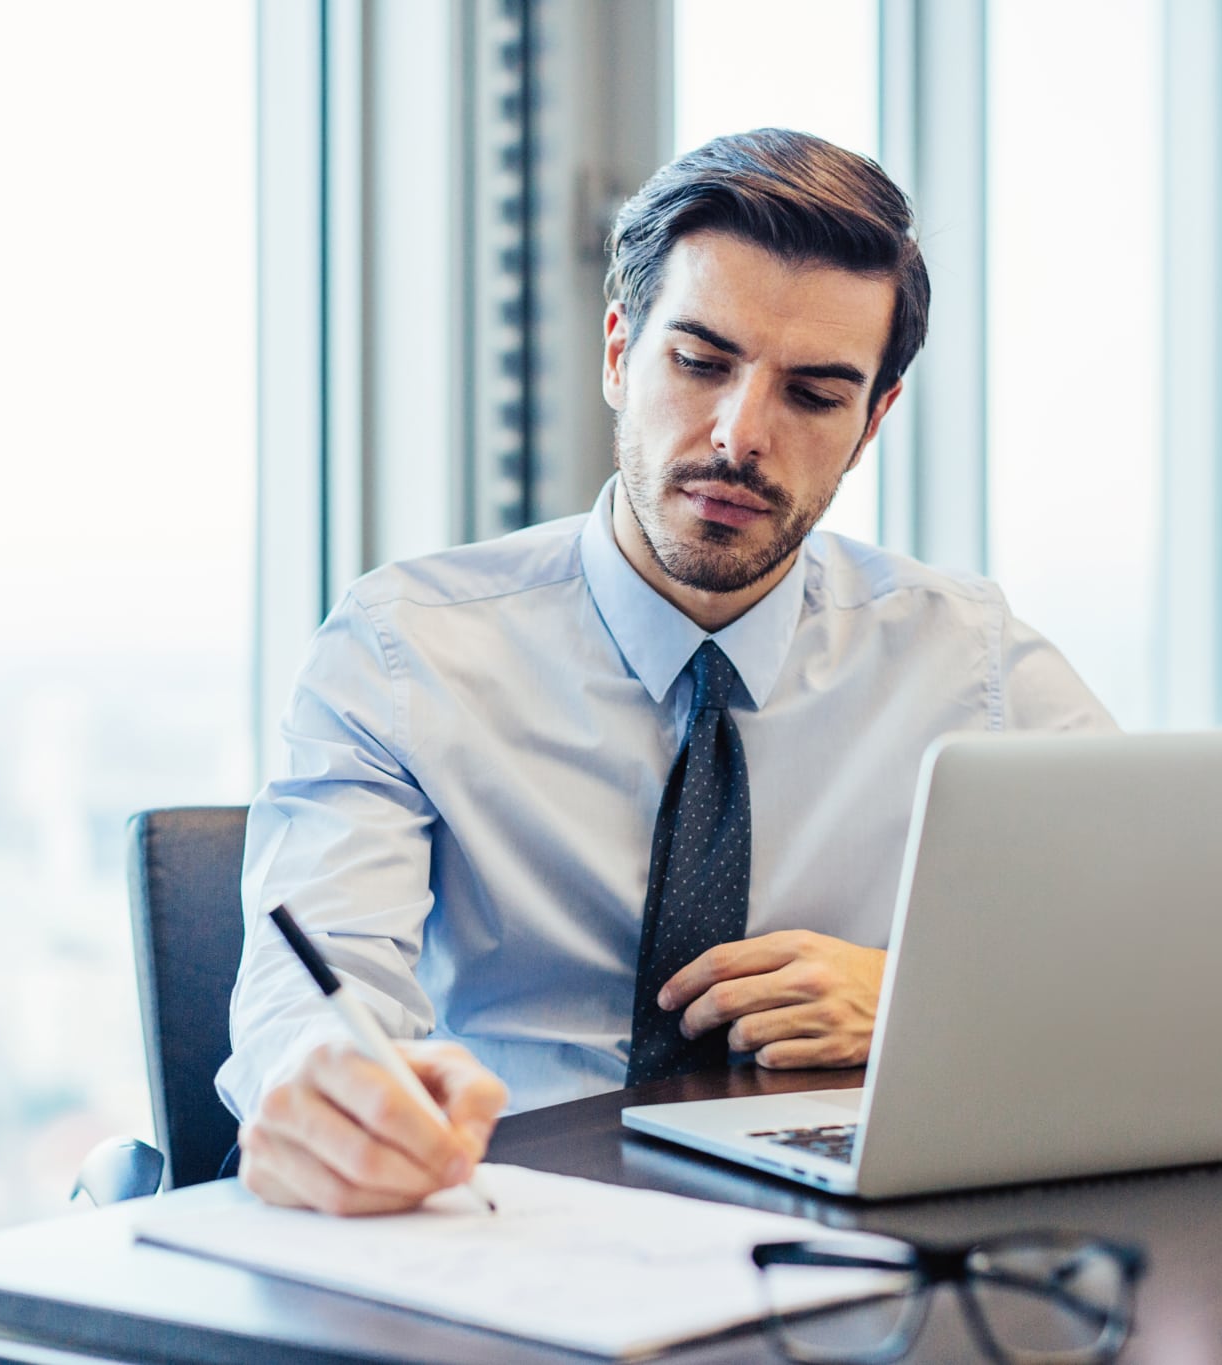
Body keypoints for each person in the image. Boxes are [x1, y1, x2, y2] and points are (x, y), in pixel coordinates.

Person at [217, 128, 1114, 1215]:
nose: (740, 437)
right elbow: (312, 981)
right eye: (699, 363)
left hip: (838, 1232)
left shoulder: (966, 659)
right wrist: (330, 1087)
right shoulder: (404, 648)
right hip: (500, 1213)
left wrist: (927, 998)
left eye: (814, 396)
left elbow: (1152, 945)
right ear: (615, 354)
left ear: (871, 421)